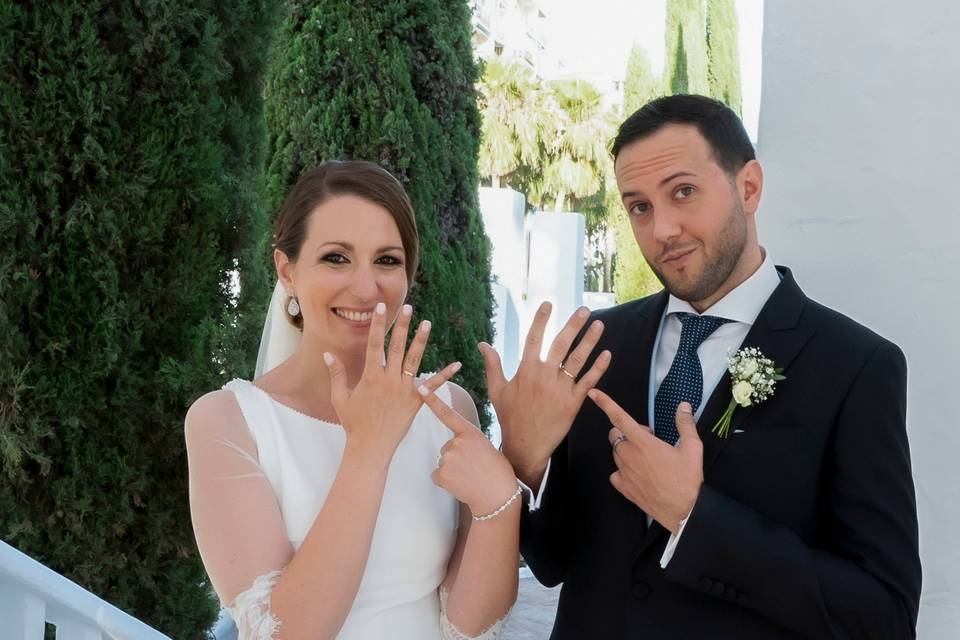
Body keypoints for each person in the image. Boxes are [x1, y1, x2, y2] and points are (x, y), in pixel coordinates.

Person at [481, 95, 921, 638]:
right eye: (639, 206)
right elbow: (551, 562)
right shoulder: (597, 345)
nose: (662, 228)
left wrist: (694, 517)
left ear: (749, 187)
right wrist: (526, 463)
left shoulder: (857, 366)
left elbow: (883, 615)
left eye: (683, 192)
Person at [185, 160, 520, 640]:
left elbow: (468, 627)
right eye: (336, 258)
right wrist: (368, 450)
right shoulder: (227, 422)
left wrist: (504, 495)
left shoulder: (448, 408)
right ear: (287, 270)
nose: (366, 288)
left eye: (387, 260)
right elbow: (284, 635)